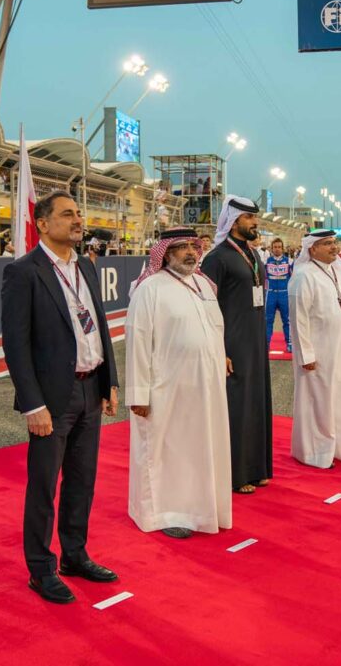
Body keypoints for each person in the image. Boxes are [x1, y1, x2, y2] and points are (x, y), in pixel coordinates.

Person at [1, 191, 120, 604]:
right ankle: (40, 568)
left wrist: (109, 381)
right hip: (52, 397)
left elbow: (99, 325)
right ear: (43, 223)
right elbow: (16, 345)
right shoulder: (24, 272)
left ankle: (74, 554)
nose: (78, 220)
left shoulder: (85, 265)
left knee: (82, 481)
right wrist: (33, 404)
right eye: (68, 214)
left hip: (90, 387)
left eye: (78, 213)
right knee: (44, 486)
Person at [125, 228, 232, 538]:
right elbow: (138, 342)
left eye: (193, 246)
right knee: (168, 451)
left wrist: (220, 356)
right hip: (167, 387)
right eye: (182, 247)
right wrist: (138, 393)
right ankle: (165, 513)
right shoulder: (150, 288)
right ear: (166, 252)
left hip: (206, 385)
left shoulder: (203, 284)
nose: (190, 252)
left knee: (201, 447)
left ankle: (199, 509)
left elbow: (214, 328)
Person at [199, 195, 273, 495]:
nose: (255, 223)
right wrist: (219, 349)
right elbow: (206, 307)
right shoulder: (216, 258)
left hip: (255, 341)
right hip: (231, 343)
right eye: (249, 218)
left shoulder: (253, 255)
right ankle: (235, 473)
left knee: (256, 402)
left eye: (255, 218)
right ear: (233, 222)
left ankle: (257, 468)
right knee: (236, 406)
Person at [289, 230, 341, 469]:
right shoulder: (304, 275)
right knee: (319, 401)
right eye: (327, 244)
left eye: (334, 243)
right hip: (319, 350)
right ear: (312, 248)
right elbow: (298, 319)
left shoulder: (338, 270)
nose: (334, 247)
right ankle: (315, 453)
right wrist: (305, 354)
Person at [265, 237, 295, 352]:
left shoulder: (289, 261)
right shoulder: (266, 261)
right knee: (268, 320)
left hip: (284, 294)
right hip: (271, 293)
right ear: (271, 248)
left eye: (279, 247)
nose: (277, 249)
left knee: (287, 320)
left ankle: (289, 343)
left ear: (282, 249)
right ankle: (266, 343)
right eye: (275, 247)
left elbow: (294, 278)